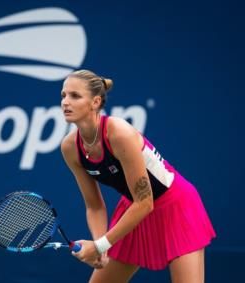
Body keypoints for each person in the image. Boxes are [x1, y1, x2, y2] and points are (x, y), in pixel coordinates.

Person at [60, 69, 216, 283]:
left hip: (175, 206)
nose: (66, 102)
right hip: (134, 209)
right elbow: (94, 206)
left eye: (75, 96)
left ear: (95, 102)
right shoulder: (70, 147)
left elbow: (145, 202)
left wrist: (100, 244)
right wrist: (99, 247)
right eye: (63, 95)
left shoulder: (119, 133)